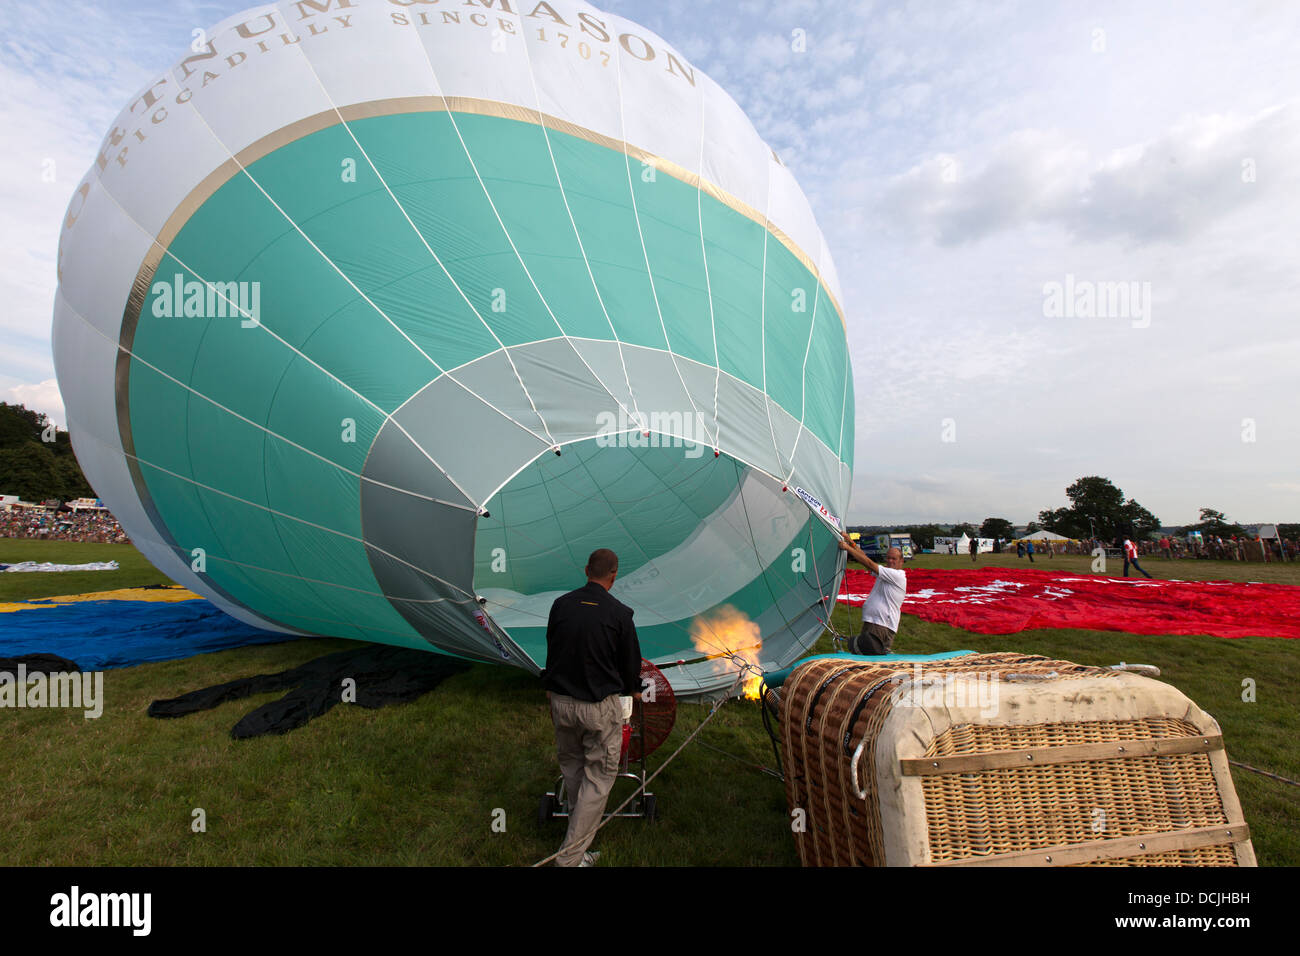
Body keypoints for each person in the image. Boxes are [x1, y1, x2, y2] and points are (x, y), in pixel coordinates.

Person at [540, 548, 642, 867]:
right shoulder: (620, 614)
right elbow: (630, 665)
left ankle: (578, 846)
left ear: (586, 570)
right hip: (597, 707)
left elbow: (553, 646)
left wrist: (551, 685)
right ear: (614, 574)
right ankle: (569, 859)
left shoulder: (561, 606)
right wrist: (635, 695)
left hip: (561, 702)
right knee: (598, 776)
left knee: (573, 767)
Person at [839, 532, 906, 654]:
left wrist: (847, 548)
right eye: (888, 558)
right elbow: (867, 561)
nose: (890, 561)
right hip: (874, 622)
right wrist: (851, 542)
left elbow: (869, 564)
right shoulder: (887, 573)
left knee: (872, 657)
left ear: (901, 561)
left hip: (881, 625)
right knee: (864, 655)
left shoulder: (897, 575)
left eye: (894, 559)